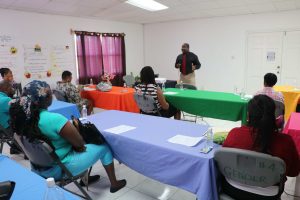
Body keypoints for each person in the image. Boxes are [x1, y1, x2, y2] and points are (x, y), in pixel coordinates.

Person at [9, 80, 126, 192]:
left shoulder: (21, 119)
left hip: (38, 168)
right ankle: (114, 183)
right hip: (61, 169)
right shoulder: (54, 119)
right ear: (46, 98)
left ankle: (85, 180)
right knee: (104, 147)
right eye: (50, 94)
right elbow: (79, 143)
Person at [222, 95, 299, 200]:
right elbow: (293, 172)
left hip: (232, 189)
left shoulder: (234, 134)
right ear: (273, 115)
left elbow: (224, 162)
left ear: (248, 115)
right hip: (268, 196)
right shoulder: (286, 141)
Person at [0, 80, 22, 154]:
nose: (13, 89)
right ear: (5, 88)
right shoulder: (6, 100)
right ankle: (30, 151)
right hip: (6, 131)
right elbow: (21, 111)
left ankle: (15, 148)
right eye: (11, 87)